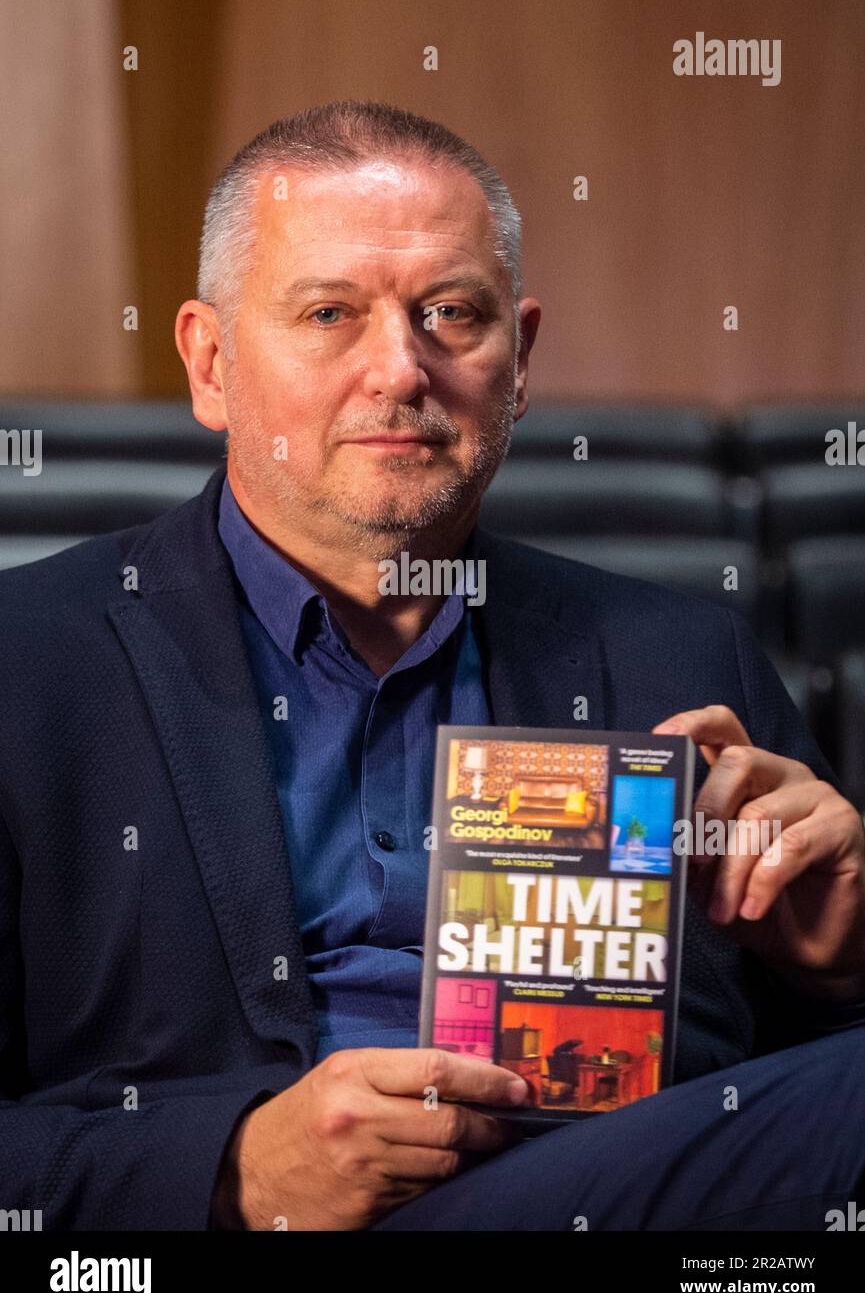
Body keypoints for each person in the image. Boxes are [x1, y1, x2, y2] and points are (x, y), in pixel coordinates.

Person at [2, 101, 864, 1233]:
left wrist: (840, 959)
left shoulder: (680, 653)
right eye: (328, 313)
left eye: (450, 313)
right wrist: (230, 1169)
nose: (399, 370)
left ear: (520, 363)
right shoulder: (27, 659)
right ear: (210, 365)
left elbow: (788, 1103)